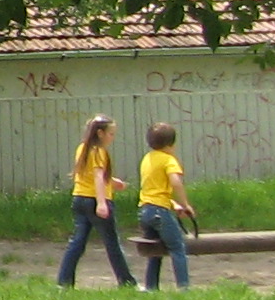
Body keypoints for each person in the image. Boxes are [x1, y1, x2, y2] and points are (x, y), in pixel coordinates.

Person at [59, 113, 137, 287]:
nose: (112, 137)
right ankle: (126, 281)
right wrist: (102, 203)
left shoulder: (83, 148)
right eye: (111, 133)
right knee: (112, 243)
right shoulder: (99, 151)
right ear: (100, 133)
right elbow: (97, 176)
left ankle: (64, 281)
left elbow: (88, 174)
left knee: (77, 242)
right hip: (95, 200)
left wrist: (113, 182)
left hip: (79, 198)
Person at [137, 121, 196, 290]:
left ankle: (151, 287)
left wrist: (173, 204)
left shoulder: (147, 159)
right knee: (177, 247)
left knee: (154, 250)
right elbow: (175, 183)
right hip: (160, 211)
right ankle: (184, 287)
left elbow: (154, 189)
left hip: (145, 210)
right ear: (170, 145)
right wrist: (185, 204)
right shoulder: (169, 160)